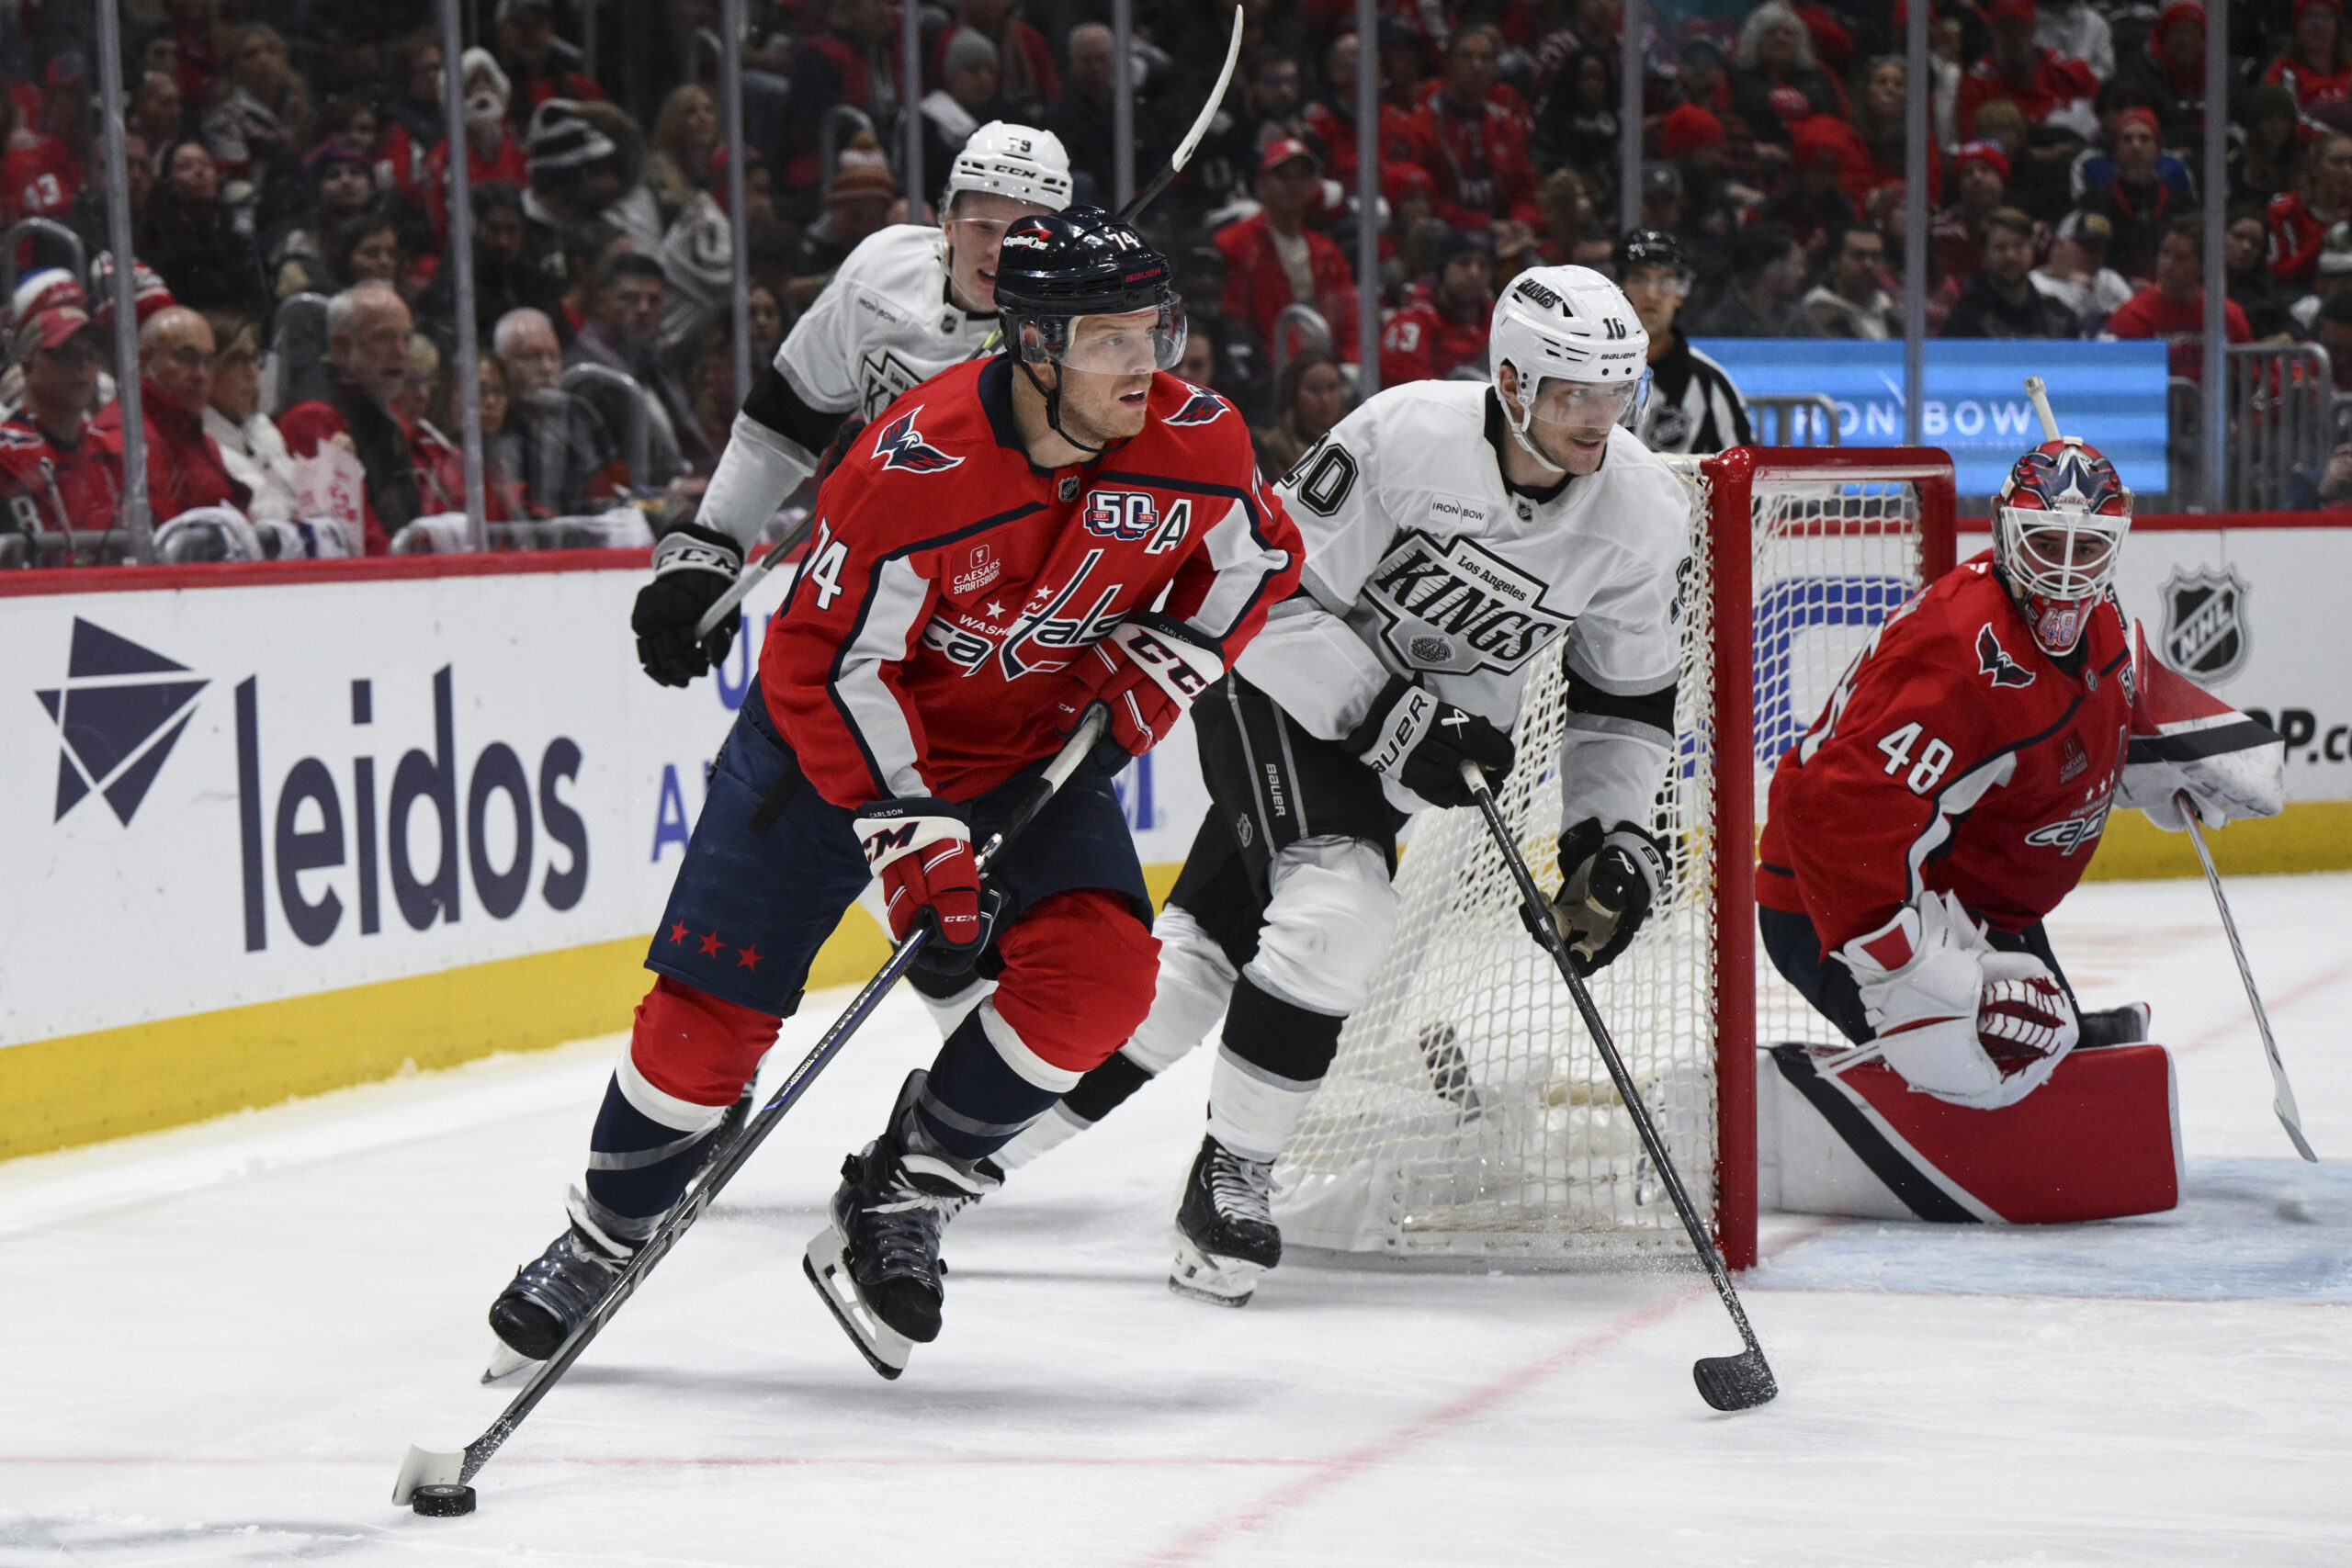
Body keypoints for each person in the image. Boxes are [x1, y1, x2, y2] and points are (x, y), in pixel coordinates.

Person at [482, 208, 1304, 1375]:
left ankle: (903, 1192)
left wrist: (1153, 669)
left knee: (1103, 977)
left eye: (1154, 332)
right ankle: (605, 1238)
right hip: (826, 760)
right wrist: (909, 832)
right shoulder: (913, 465)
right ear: (1032, 346)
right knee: (699, 1032)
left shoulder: (1197, 442)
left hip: (1020, 755)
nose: (1148, 366)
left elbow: (1259, 561)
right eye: (1112, 340)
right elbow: (818, 663)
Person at [983, 267, 1693, 1308]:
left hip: (1408, 752)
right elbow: (1263, 597)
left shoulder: (1640, 512)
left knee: (1186, 977)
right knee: (1336, 913)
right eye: (1573, 394)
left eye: (1615, 394)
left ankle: (949, 1147)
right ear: (1508, 379)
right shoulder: (1405, 437)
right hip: (1280, 689)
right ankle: (1231, 1179)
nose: (1599, 420)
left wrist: (1607, 836)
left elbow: (1621, 703)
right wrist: (1388, 713)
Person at [1752, 436, 2281, 1217]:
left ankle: (2019, 1033)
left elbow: (2071, 728)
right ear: (2004, 529)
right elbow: (1830, 811)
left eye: (2087, 547)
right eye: (2045, 543)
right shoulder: (1956, 654)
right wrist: (1907, 971)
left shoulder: (2100, 619)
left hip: (1977, 906)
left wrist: (2149, 764)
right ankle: (1776, 1119)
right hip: (1842, 907)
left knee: (2044, 1044)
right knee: (1991, 1058)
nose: (2066, 570)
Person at [628, 122, 1074, 690]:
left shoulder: (1079, 337)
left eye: (1022, 233)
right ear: (945, 223)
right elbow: (780, 425)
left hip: (1004, 630)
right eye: (981, 227)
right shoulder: (879, 276)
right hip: (865, 599)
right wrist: (711, 550)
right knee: (769, 766)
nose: (997, 250)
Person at [277, 283, 423, 553]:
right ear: (342, 348)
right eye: (384, 338)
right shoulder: (314, 418)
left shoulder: (384, 416)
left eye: (406, 339)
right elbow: (344, 537)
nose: (401, 352)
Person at [92, 305, 250, 524]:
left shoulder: (189, 430)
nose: (201, 375)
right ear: (145, 360)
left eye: (209, 361)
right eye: (187, 358)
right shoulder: (127, 437)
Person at [567, 252, 714, 480]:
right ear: (601, 303)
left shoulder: (657, 362)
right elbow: (598, 470)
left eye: (654, 300)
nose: (644, 309)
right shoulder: (586, 371)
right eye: (630, 298)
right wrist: (672, 490)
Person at [1214, 140, 1361, 368]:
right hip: (1266, 372)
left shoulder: (1327, 252)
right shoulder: (1234, 244)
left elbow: (1350, 316)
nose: (1293, 185)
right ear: (1261, 184)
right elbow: (1234, 321)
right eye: (1283, 176)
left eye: (1303, 176)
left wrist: (1353, 364)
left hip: (1325, 372)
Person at [0, 304, 121, 555]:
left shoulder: (110, 453)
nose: (83, 365)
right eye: (66, 353)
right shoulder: (6, 456)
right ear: (27, 367)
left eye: (92, 354)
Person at [1616, 230, 1749, 455]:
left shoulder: (1711, 384)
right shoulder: (1583, 375)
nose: (1651, 294)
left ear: (1681, 292)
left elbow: (1743, 473)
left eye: (1665, 281)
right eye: (1639, 279)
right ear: (1618, 288)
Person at [493, 305, 627, 517]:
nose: (547, 368)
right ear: (501, 365)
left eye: (553, 357)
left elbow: (613, 493)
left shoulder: (581, 416)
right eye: (531, 357)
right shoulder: (493, 421)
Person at [2105, 219, 2251, 381]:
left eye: (2181, 258)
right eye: (2164, 253)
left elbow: (2251, 378)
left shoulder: (2228, 313)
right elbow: (2132, 384)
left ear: (2204, 265)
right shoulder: (2132, 316)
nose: (2167, 265)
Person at [201, 312, 299, 520]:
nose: (252, 372)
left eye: (254, 358)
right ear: (207, 370)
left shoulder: (263, 430)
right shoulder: (202, 445)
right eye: (236, 360)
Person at [1378, 228, 1496, 386]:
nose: (1474, 272)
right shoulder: (1413, 321)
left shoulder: (1501, 321)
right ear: (1443, 268)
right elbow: (1408, 391)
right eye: (1464, 262)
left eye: (1484, 266)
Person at [1943, 209, 2082, 338]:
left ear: (2032, 251)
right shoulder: (1965, 320)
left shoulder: (2059, 318)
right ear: (1984, 256)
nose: (2011, 256)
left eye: (2019, 246)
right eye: (2001, 248)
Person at [1688, 221, 1810, 337]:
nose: (1802, 274)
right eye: (1796, 265)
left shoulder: (1793, 318)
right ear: (1773, 268)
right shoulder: (1720, 323)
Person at [1251, 348, 1350, 478]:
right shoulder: (1269, 450)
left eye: (1332, 387)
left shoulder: (1356, 442)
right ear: (1292, 394)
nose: (1325, 399)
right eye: (1315, 389)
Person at [1802, 221, 1900, 339]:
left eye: (1876, 257)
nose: (1868, 264)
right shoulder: (1810, 320)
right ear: (1834, 262)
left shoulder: (1895, 318)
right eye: (1858, 255)